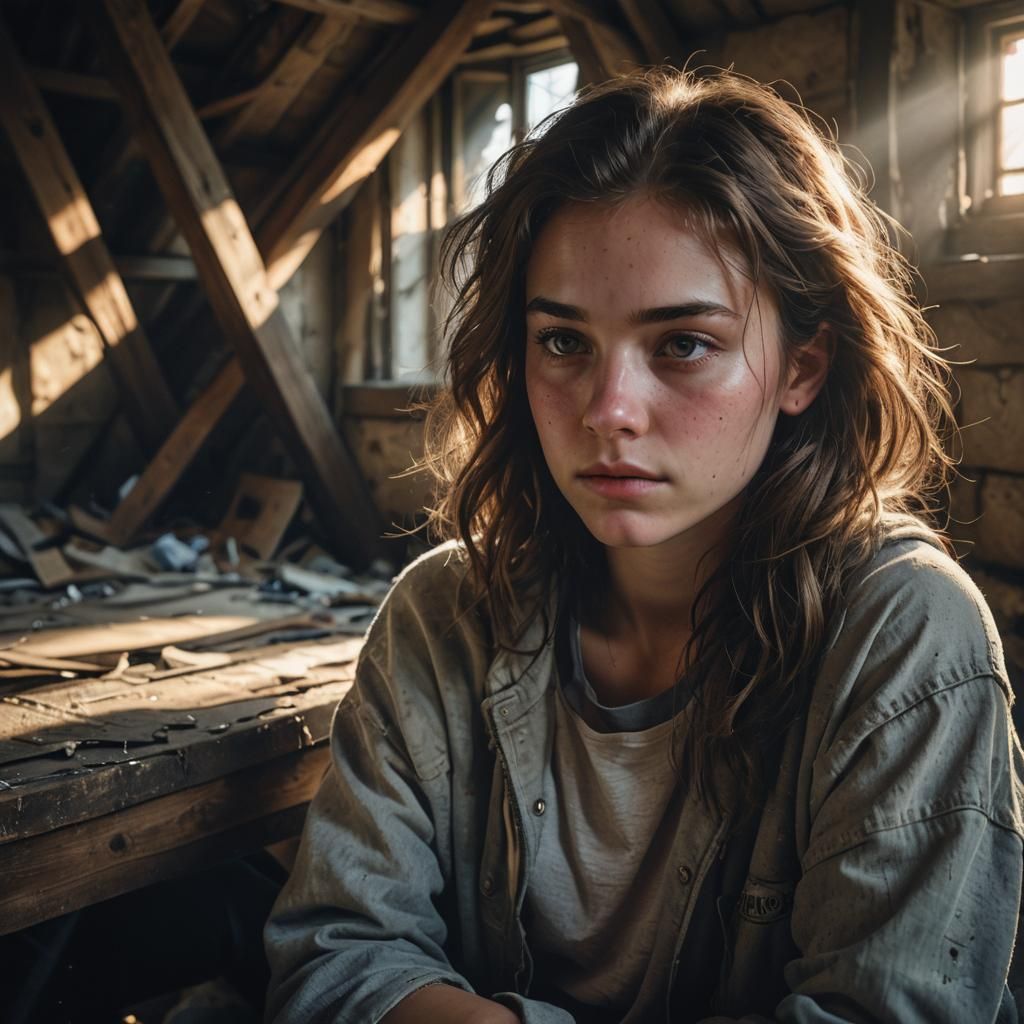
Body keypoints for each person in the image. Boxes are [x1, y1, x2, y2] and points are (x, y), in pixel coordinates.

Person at [264, 68, 1024, 1023]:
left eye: (683, 345)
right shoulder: (442, 618)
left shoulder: (905, 637)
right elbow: (336, 958)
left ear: (803, 366)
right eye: (564, 343)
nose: (609, 412)